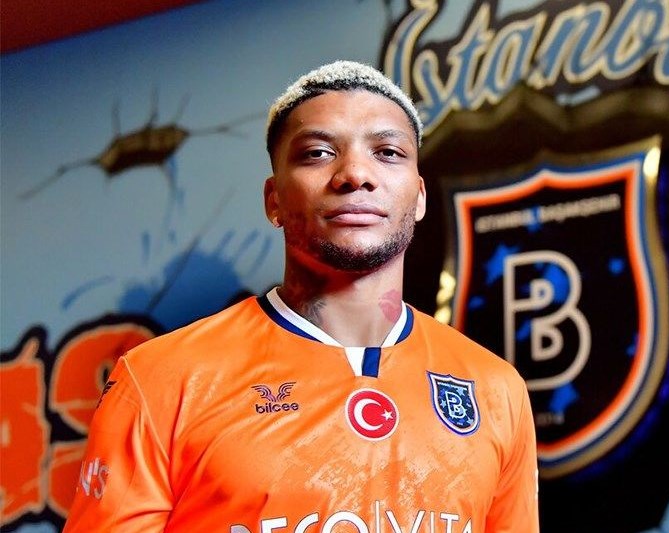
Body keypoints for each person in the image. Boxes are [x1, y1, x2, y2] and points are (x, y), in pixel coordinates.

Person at [63, 61, 539, 533]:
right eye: (317, 153)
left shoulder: (496, 390)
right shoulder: (159, 380)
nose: (355, 173)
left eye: (388, 152)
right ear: (274, 200)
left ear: (419, 198)